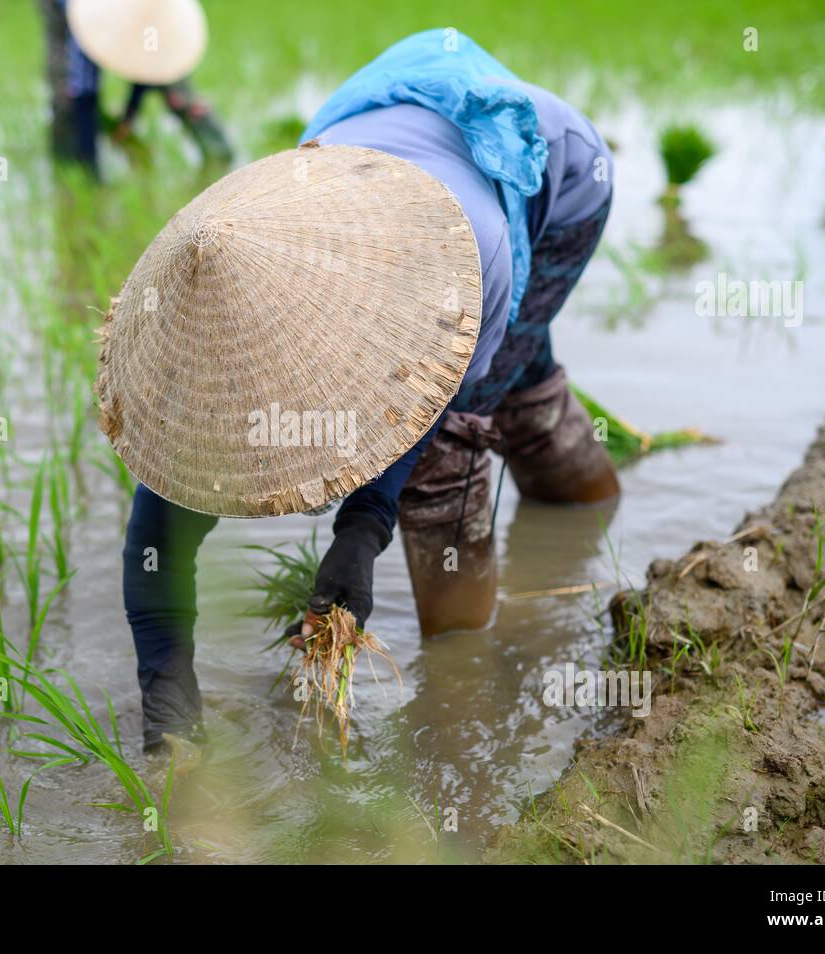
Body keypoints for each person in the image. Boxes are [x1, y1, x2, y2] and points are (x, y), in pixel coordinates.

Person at [100, 30, 620, 753]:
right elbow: (156, 540)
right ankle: (579, 491)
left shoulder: (471, 259)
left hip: (558, 174)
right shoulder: (203, 354)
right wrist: (168, 709)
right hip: (372, 133)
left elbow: (432, 404)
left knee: (457, 443)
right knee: (519, 370)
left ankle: (463, 679)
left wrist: (363, 528)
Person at [39, 0, 230, 175]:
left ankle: (219, 152)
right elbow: (84, 88)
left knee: (175, 90)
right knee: (74, 94)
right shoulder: (86, 21)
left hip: (141, 24)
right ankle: (79, 168)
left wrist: (129, 117)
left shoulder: (153, 23)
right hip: (80, 19)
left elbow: (144, 70)